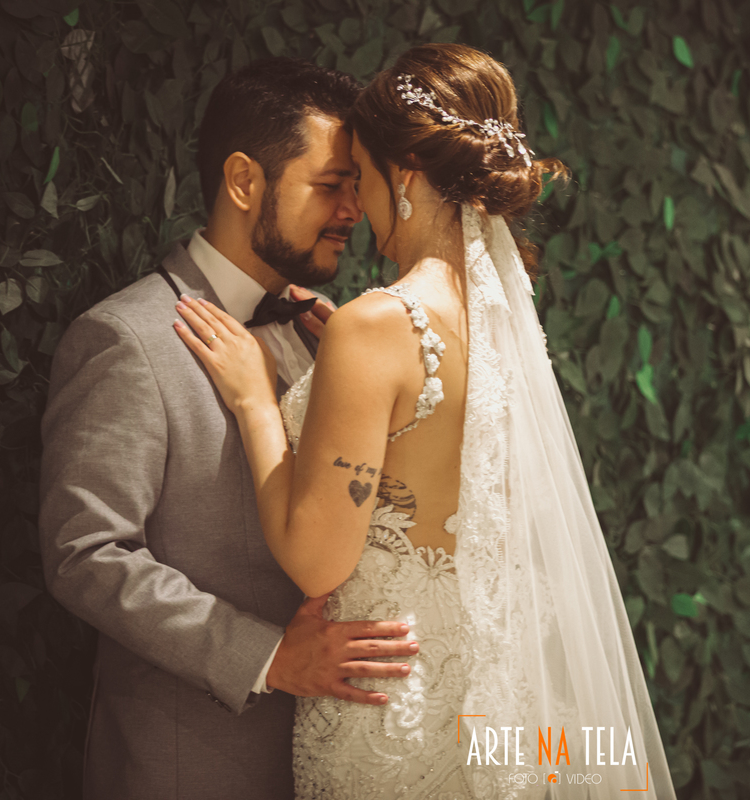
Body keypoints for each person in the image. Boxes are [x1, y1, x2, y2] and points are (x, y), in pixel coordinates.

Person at [174, 43, 676, 798]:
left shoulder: (375, 324)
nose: (355, 205)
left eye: (360, 175)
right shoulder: (500, 320)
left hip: (392, 713)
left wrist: (255, 403)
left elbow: (317, 562)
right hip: (496, 700)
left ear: (403, 174)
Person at [39, 58, 418, 800]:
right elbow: (86, 555)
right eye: (331, 184)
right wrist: (269, 657)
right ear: (244, 181)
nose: (354, 208)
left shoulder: (326, 335)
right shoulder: (126, 338)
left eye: (356, 184)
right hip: (195, 764)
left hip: (335, 757)